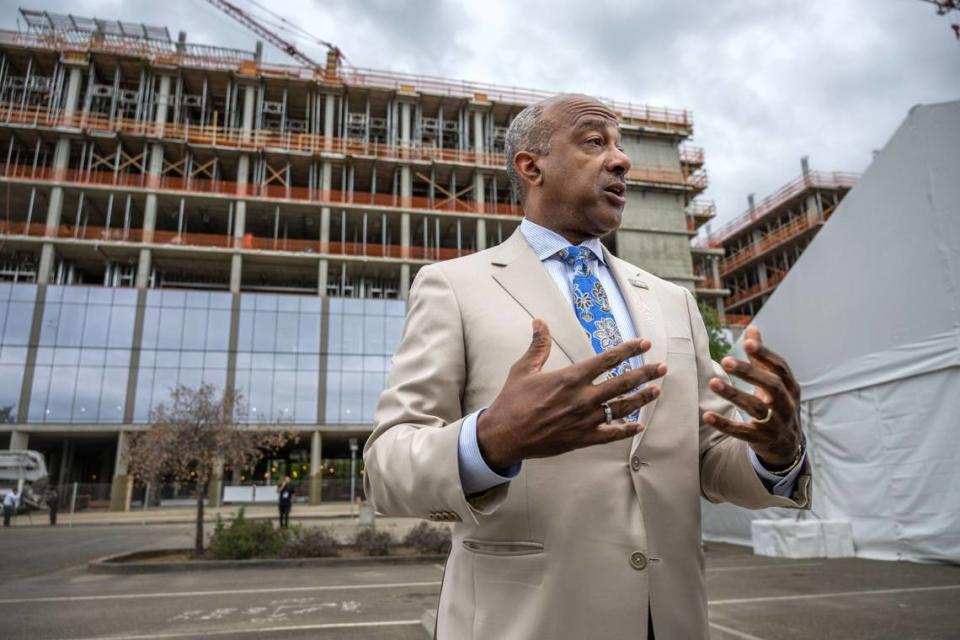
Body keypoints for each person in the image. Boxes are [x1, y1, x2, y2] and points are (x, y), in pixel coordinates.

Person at [363, 94, 810, 640]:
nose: (621, 160)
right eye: (596, 142)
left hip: (670, 621)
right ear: (532, 166)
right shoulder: (454, 287)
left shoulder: (673, 301)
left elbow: (709, 458)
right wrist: (490, 441)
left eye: (621, 147)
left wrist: (776, 452)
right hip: (526, 624)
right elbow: (387, 466)